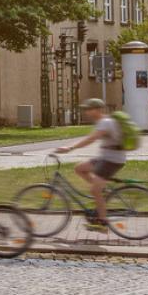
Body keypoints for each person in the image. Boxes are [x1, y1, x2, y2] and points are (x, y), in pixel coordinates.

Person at [55, 98, 124, 233]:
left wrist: (70, 148)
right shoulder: (103, 122)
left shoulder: (105, 123)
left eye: (89, 109)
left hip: (112, 160)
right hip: (105, 158)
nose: (86, 112)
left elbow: (91, 139)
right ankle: (102, 190)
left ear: (97, 110)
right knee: (79, 168)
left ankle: (102, 223)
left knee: (94, 191)